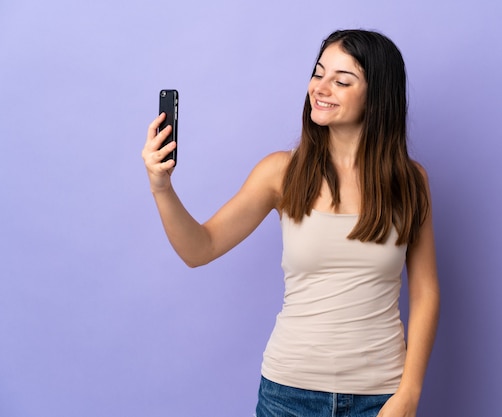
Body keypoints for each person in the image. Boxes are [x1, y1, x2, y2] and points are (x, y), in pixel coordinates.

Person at [142, 29, 439, 417]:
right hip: (289, 397)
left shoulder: (410, 182)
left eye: (341, 80)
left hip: (382, 396)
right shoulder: (281, 173)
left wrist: (409, 393)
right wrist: (161, 186)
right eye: (318, 74)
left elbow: (425, 291)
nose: (321, 88)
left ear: (377, 96)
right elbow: (200, 248)